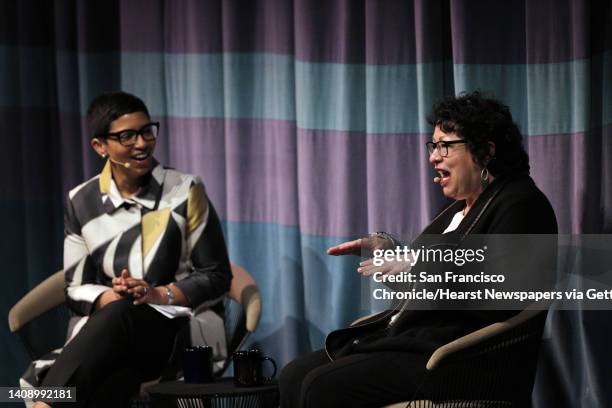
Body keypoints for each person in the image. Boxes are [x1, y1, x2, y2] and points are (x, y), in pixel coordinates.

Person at [279, 91, 558, 407]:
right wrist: (387, 250)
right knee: (293, 374)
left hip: (460, 358)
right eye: (433, 146)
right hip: (416, 343)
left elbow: (504, 295)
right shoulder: (457, 211)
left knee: (320, 386)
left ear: (486, 150)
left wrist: (419, 266)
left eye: (444, 146)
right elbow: (421, 285)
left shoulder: (522, 204)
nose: (433, 157)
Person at [30, 91, 232, 407]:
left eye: (146, 131)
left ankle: (46, 403)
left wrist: (155, 294)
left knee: (122, 315)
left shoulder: (184, 190)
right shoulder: (81, 201)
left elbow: (217, 275)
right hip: (112, 336)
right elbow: (74, 288)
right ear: (100, 146)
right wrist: (111, 295)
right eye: (127, 136)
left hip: (176, 329)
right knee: (106, 380)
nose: (142, 143)